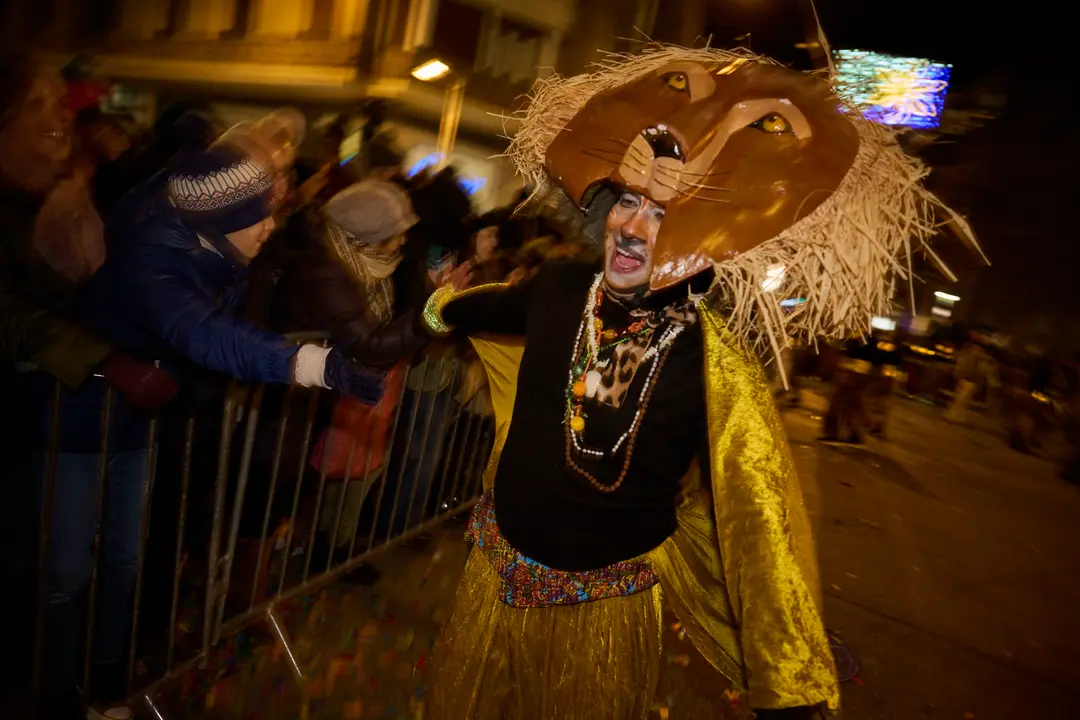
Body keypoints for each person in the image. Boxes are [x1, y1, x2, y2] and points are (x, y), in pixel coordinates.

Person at [420, 44, 982, 719]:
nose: (633, 225)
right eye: (629, 204)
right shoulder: (561, 286)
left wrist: (788, 687)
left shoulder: (713, 360)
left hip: (600, 607)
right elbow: (487, 308)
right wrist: (439, 307)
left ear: (711, 245)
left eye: (660, 216)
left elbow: (757, 519)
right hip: (495, 569)